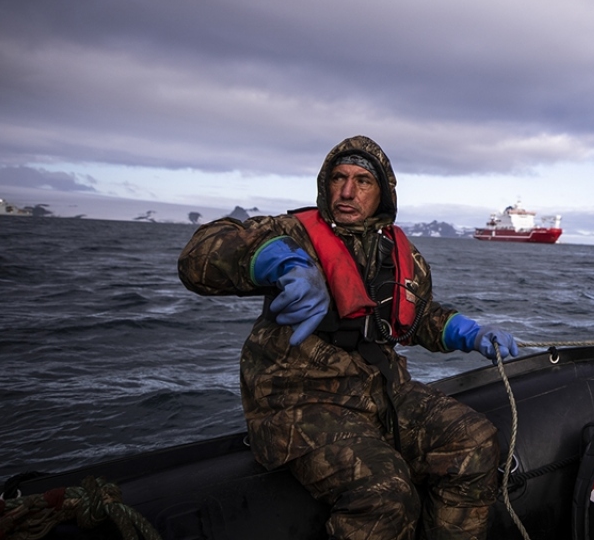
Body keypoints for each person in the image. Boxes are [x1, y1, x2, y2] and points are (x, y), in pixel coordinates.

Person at [178, 135, 519, 539]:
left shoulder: (400, 253)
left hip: (382, 391)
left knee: (476, 444)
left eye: (362, 181)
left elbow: (417, 316)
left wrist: (470, 333)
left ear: (383, 194)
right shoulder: (292, 233)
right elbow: (199, 256)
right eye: (339, 178)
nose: (346, 191)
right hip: (298, 401)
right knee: (385, 495)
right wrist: (275, 260)